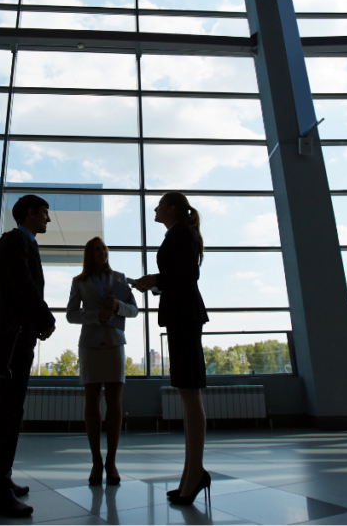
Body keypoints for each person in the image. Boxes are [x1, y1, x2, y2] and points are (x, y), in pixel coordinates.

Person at [130, 192, 210, 505]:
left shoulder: (182, 234)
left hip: (185, 316)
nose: (155, 208)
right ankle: (191, 473)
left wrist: (155, 279)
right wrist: (155, 283)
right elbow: (179, 277)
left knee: (190, 393)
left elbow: (189, 275)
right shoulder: (178, 234)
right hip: (182, 315)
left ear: (172, 208)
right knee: (187, 392)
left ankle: (194, 473)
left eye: (160, 204)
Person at [0, 194, 57, 518]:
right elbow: (24, 287)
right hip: (14, 340)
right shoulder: (15, 242)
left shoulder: (19, 243)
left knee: (10, 409)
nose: (48, 219)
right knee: (10, 411)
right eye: (44, 213)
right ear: (30, 213)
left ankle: (1, 477)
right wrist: (46, 317)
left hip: (17, 337)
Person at [66, 237, 139, 486]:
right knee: (92, 403)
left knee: (115, 404)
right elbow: (71, 315)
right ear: (89, 254)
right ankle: (96, 461)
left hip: (115, 344)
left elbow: (135, 309)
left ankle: (112, 461)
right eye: (97, 249)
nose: (102, 253)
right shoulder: (79, 281)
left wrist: (118, 305)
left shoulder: (119, 278)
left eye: (104, 249)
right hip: (90, 345)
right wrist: (97, 316)